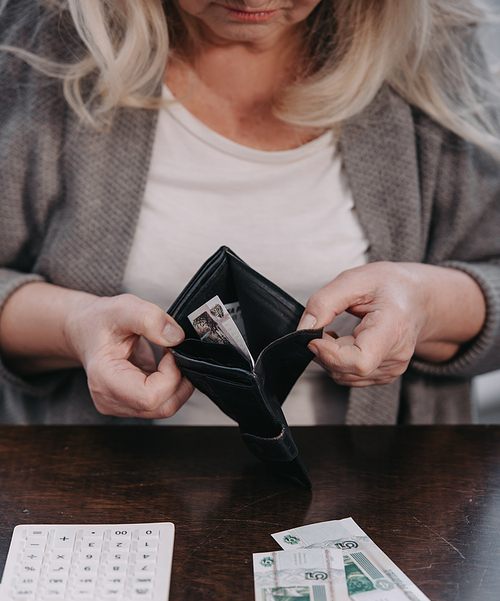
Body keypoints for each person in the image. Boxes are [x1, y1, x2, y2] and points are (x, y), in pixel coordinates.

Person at [0, 0, 499, 428]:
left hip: (388, 497)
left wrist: (426, 304)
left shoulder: (438, 44)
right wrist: (71, 325)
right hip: (96, 499)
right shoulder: (46, 35)